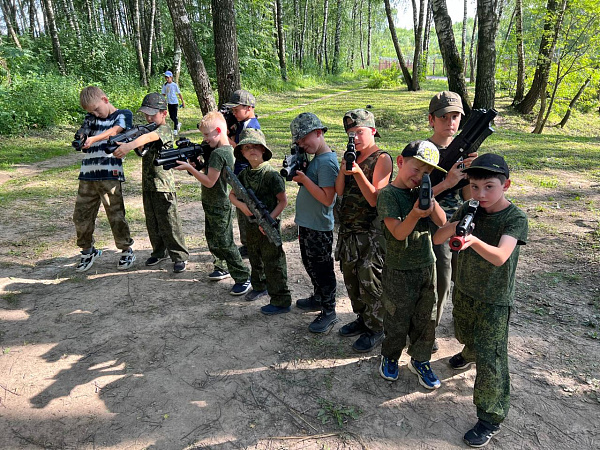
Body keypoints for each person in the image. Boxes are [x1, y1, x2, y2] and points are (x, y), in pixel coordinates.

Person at [433, 153, 528, 447]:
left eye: (489, 187)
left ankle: (490, 417)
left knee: (492, 360)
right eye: (474, 187)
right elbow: (438, 238)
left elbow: (500, 257)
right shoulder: (469, 207)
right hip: (465, 290)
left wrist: (473, 240)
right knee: (463, 333)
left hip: (494, 300)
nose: (481, 194)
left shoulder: (514, 218)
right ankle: (470, 351)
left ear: (506, 185)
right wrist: (456, 225)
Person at [377, 140, 447, 390]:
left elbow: (442, 222)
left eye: (426, 173)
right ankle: (390, 356)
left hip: (426, 266)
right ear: (400, 162)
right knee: (397, 318)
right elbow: (398, 232)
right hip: (399, 270)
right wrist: (415, 214)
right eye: (416, 169)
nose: (419, 177)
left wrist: (430, 200)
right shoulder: (388, 195)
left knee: (426, 319)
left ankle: (420, 359)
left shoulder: (421, 193)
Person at [174, 111, 251, 296]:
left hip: (218, 203)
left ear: (218, 131)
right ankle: (222, 266)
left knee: (225, 242)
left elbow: (209, 181)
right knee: (213, 238)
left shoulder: (218, 153)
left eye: (207, 135)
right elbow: (212, 174)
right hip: (213, 201)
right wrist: (199, 165)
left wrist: (190, 168)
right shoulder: (226, 150)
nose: (205, 139)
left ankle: (243, 277)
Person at [335, 109, 393, 352]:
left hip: (371, 232)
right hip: (349, 230)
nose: (355, 137)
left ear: (373, 131)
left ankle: (377, 327)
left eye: (359, 132)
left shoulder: (382, 158)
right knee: (351, 277)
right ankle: (363, 318)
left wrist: (358, 172)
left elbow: (375, 200)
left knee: (370, 280)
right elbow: (339, 191)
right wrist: (345, 167)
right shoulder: (352, 156)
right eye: (351, 133)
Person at [112, 93, 189, 273]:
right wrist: (134, 144)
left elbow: (148, 139)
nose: (148, 118)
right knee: (152, 221)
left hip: (163, 185)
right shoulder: (148, 130)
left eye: (152, 114)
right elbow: (143, 148)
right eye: (146, 114)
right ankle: (159, 251)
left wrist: (128, 146)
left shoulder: (165, 129)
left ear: (164, 113)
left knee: (169, 221)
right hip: (148, 184)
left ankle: (179, 256)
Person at [427, 91, 478, 353]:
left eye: (455, 116)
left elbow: (469, 197)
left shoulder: (465, 153)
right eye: (444, 117)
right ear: (431, 120)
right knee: (440, 280)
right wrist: (446, 182)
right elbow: (413, 194)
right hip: (432, 226)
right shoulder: (423, 152)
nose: (450, 122)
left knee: (463, 279)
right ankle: (429, 330)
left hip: (460, 224)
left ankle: (463, 327)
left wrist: (472, 175)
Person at [228, 129, 292, 315]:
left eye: (255, 146)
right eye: (247, 147)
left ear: (263, 149)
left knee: (274, 262)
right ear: (242, 152)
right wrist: (243, 207)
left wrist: (268, 221)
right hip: (251, 226)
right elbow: (232, 195)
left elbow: (283, 201)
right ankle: (259, 286)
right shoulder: (243, 175)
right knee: (254, 256)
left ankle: (281, 300)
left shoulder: (271, 175)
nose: (251, 150)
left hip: (268, 227)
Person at [73, 86, 135, 272]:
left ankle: (126, 249)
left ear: (105, 100)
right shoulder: (90, 120)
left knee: (115, 215)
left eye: (96, 109)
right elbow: (84, 138)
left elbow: (116, 131)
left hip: (109, 174)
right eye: (91, 112)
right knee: (81, 215)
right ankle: (87, 250)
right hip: (88, 174)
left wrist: (93, 139)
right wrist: (83, 139)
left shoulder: (123, 114)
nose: (95, 114)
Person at [288, 113, 339, 333]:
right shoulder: (316, 159)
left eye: (303, 139)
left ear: (319, 133)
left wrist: (305, 180)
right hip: (308, 224)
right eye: (298, 141)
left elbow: (328, 199)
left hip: (319, 227)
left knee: (322, 269)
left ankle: (329, 310)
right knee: (310, 265)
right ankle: (319, 297)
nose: (301, 144)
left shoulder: (327, 162)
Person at [224, 89, 261, 258]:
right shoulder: (243, 124)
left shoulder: (252, 127)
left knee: (248, 209)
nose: (234, 113)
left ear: (249, 108)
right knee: (242, 209)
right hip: (240, 172)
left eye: (236, 109)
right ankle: (247, 243)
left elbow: (243, 149)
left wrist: (225, 139)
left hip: (247, 173)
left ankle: (251, 244)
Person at [161, 70, 184, 135]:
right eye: (166, 77)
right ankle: (178, 123)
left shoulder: (174, 85)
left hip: (175, 102)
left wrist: (183, 102)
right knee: (171, 116)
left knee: (175, 116)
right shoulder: (165, 85)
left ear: (171, 77)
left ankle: (175, 130)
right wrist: (161, 100)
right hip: (169, 102)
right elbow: (163, 94)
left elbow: (179, 93)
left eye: (168, 77)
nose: (167, 79)